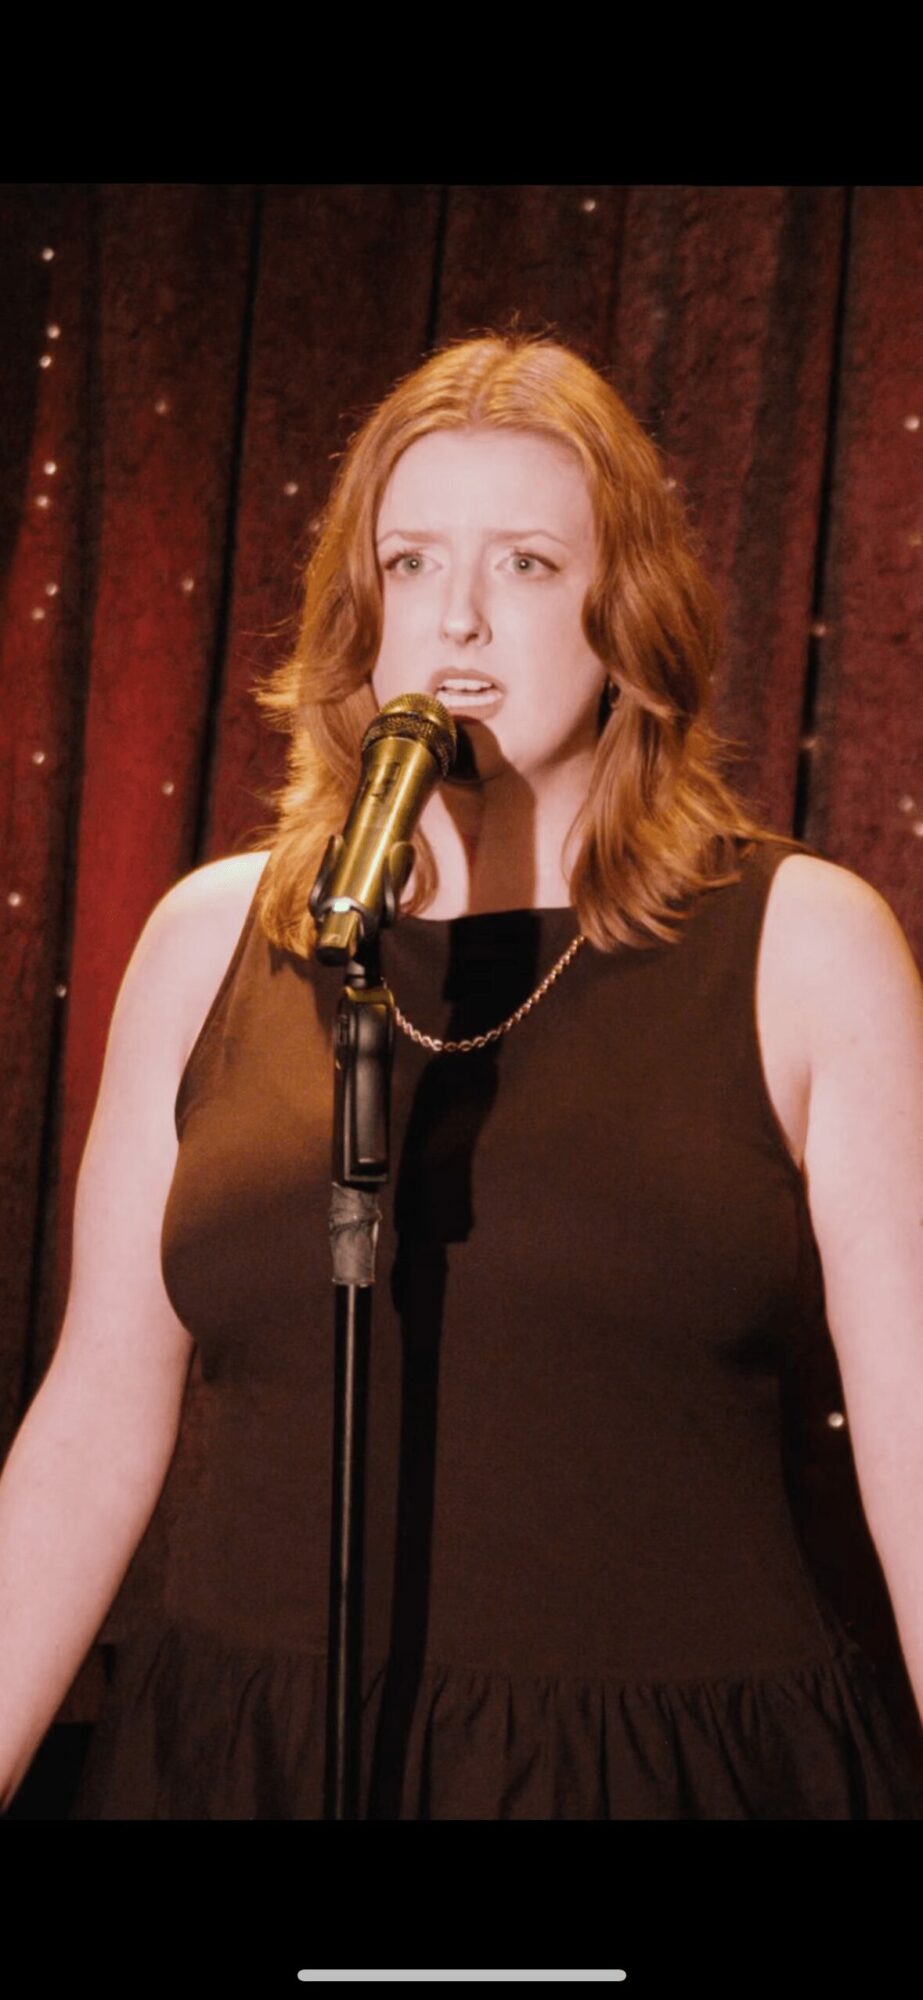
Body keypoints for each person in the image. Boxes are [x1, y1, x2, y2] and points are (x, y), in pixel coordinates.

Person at [1, 331, 922, 1820]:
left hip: (657, 1768)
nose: (460, 625)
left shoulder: (802, 942)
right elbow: (99, 1413)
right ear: (359, 613)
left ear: (626, 617)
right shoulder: (208, 939)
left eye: (530, 567)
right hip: (249, 1760)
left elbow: (919, 1431)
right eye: (414, 565)